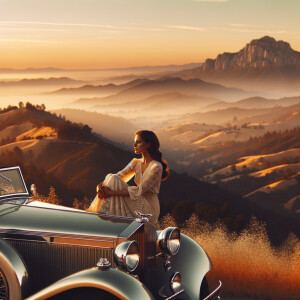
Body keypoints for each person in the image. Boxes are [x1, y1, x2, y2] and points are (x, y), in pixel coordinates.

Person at [87, 130, 169, 225]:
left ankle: (102, 213)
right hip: (137, 201)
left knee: (113, 179)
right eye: (134, 142)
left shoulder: (157, 167)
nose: (134, 145)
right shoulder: (136, 162)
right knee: (111, 176)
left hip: (149, 208)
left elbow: (139, 190)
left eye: (138, 142)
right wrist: (99, 187)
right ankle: (103, 213)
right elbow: (118, 176)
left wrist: (111, 193)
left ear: (148, 145)